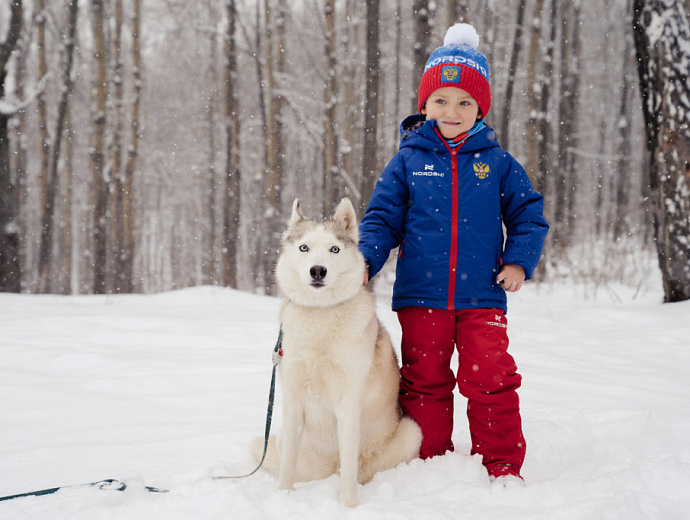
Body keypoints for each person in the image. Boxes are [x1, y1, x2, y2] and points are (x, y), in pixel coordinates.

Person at [358, 23, 549, 483]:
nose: (453, 110)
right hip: (421, 294)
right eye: (441, 100)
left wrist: (519, 260)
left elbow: (528, 214)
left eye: (465, 102)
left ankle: (500, 464)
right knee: (424, 380)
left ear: (480, 108)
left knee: (491, 378)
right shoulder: (408, 160)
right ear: (424, 105)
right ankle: (429, 459)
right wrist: (364, 261)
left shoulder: (497, 163)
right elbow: (382, 218)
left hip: (484, 294)